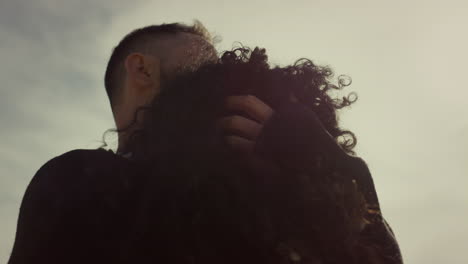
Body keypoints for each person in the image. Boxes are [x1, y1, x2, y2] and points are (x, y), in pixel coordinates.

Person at [8, 22, 403, 264]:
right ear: (142, 68)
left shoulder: (260, 187)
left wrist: (336, 167)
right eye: (205, 58)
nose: (219, 69)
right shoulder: (81, 180)